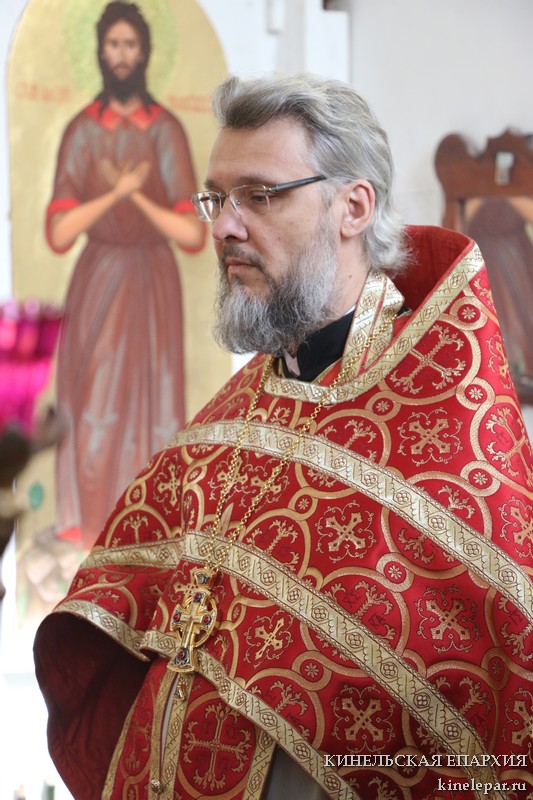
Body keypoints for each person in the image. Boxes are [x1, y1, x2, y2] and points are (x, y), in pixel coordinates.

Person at [35, 73, 533, 800]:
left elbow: (491, 686)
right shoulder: (227, 421)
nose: (223, 228)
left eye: (260, 195)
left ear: (353, 207)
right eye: (216, 198)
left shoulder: (446, 430)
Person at [46, 1, 205, 550]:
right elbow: (59, 231)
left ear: (144, 53)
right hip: (98, 282)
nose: (121, 55)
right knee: (94, 403)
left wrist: (136, 196)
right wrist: (115, 193)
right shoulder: (82, 131)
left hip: (152, 285)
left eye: (130, 45)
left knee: (154, 403)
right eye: (112, 44)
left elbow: (192, 234)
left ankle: (147, 536)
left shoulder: (165, 130)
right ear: (99, 51)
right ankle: (91, 536)